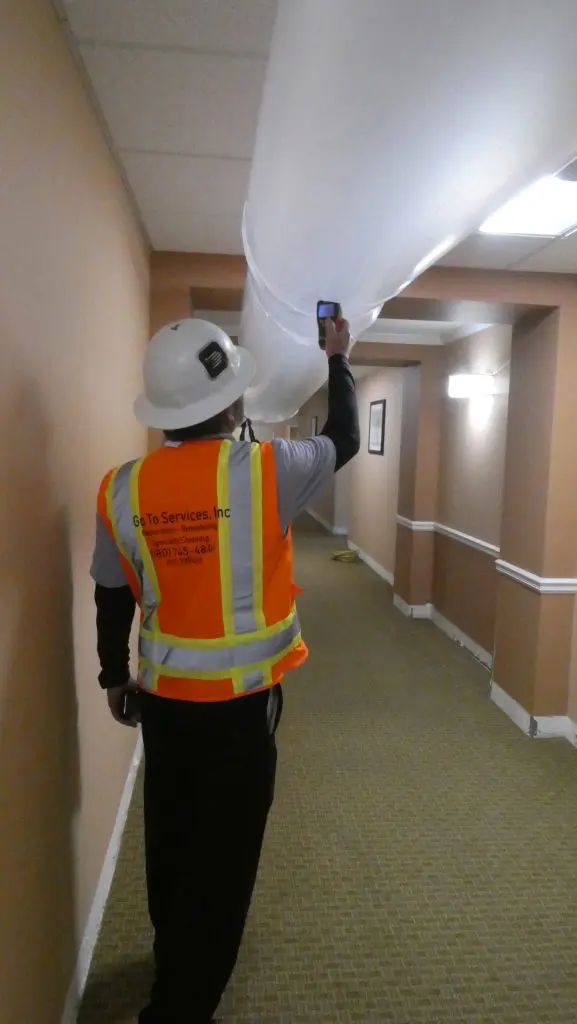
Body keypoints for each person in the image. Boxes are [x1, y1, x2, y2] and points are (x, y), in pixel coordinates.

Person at [90, 314, 360, 1023]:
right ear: (234, 403)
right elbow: (347, 440)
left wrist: (112, 676)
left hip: (164, 700)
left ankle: (170, 946)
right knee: (226, 849)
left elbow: (111, 589)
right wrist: (337, 358)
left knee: (172, 830)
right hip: (240, 705)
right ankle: (182, 1001)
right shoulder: (269, 469)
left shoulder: (120, 488)